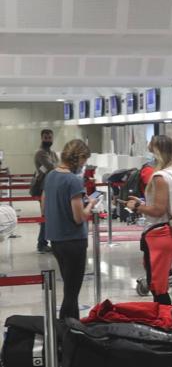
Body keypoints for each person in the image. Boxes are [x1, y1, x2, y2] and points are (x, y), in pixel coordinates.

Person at [126, 135, 172, 305]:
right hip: (171, 232)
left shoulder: (160, 176)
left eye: (151, 149)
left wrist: (136, 206)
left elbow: (158, 209)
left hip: (159, 233)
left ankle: (165, 320)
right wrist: (144, 203)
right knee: (162, 282)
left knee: (157, 287)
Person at [41, 139, 95, 319]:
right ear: (78, 157)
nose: (84, 165)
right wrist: (91, 205)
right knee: (71, 293)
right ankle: (64, 330)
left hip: (56, 239)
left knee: (69, 287)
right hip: (74, 241)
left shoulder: (50, 175)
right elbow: (79, 217)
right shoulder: (73, 181)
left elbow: (43, 206)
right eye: (84, 161)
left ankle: (74, 327)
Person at [32, 129, 59, 253]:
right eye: (45, 137)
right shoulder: (40, 153)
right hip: (45, 188)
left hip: (53, 186)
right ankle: (41, 243)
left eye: (50, 137)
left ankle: (45, 242)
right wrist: (56, 167)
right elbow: (52, 167)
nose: (48, 140)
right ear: (41, 138)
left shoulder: (52, 153)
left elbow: (57, 166)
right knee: (46, 216)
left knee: (51, 216)